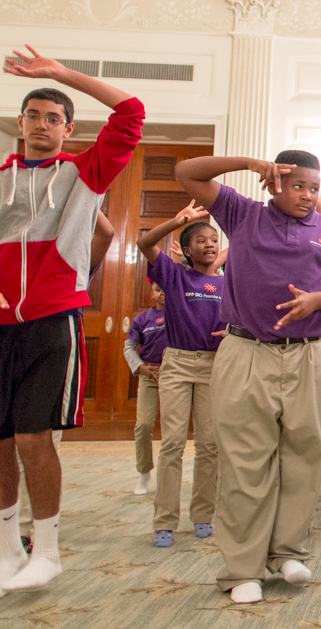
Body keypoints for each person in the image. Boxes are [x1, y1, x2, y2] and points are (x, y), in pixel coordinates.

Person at [0, 45, 143, 600]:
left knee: (34, 436)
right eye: (34, 116)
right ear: (20, 123)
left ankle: (49, 551)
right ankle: (9, 554)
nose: (43, 125)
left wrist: (61, 73)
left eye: (54, 118)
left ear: (68, 129)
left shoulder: (83, 175)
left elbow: (131, 111)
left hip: (53, 318)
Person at [174, 150, 321, 603]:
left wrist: (317, 301)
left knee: (305, 456)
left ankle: (288, 551)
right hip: (246, 351)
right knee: (245, 461)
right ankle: (242, 569)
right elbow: (186, 172)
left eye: (315, 188)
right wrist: (249, 163)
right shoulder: (241, 213)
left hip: (309, 354)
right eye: (299, 186)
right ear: (276, 182)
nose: (309, 196)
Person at [137, 202, 226, 548]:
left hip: (214, 365)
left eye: (213, 240)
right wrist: (175, 221)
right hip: (176, 363)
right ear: (186, 250)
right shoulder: (173, 274)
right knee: (172, 443)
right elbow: (146, 244)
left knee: (209, 444)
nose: (209, 244)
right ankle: (164, 521)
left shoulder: (225, 282)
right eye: (200, 240)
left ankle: (203, 514)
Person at [123, 280, 168, 496]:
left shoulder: (182, 314)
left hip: (176, 376)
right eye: (158, 290)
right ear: (152, 294)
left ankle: (169, 475)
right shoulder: (142, 319)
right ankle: (144, 472)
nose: (162, 293)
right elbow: (129, 347)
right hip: (149, 376)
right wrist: (140, 367)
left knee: (172, 429)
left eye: (165, 288)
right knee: (143, 425)